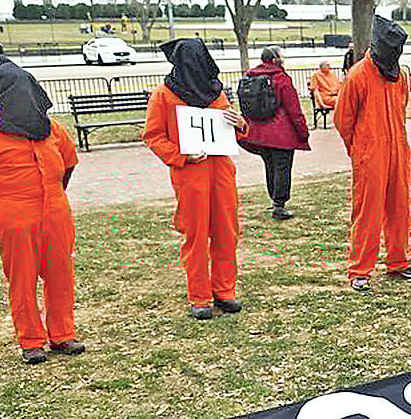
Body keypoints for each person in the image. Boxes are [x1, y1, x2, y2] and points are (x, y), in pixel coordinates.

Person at [0, 57, 85, 364]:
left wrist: (51, 195)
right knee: (22, 279)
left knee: (60, 275)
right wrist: (3, 204)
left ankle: (63, 334)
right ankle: (31, 340)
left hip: (54, 209)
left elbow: (67, 165)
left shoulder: (53, 129)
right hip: (13, 214)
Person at [143, 39, 247, 319]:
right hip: (190, 175)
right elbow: (153, 136)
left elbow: (230, 127)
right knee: (196, 235)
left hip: (221, 172)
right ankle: (199, 296)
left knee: (226, 232)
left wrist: (240, 125)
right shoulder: (164, 95)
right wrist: (181, 156)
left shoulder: (216, 91)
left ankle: (224, 290)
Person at [334, 16, 411, 291]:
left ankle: (399, 260)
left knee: (399, 207)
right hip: (370, 152)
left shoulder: (401, 75)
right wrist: (359, 149)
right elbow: (343, 120)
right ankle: (360, 269)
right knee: (367, 210)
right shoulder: (358, 75)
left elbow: (402, 109)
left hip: (398, 148)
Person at [239, 46, 310, 220]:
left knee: (270, 166)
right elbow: (294, 109)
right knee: (282, 168)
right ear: (275, 60)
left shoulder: (250, 77)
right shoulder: (281, 79)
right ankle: (279, 204)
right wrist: (303, 132)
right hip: (280, 133)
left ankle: (275, 200)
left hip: (258, 133)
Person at [308, 59, 341, 127]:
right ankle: (339, 121)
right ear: (322, 67)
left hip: (335, 96)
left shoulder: (332, 75)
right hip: (325, 98)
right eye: (327, 65)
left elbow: (339, 87)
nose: (330, 67)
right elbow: (315, 91)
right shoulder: (316, 75)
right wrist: (322, 104)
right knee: (342, 102)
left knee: (347, 100)